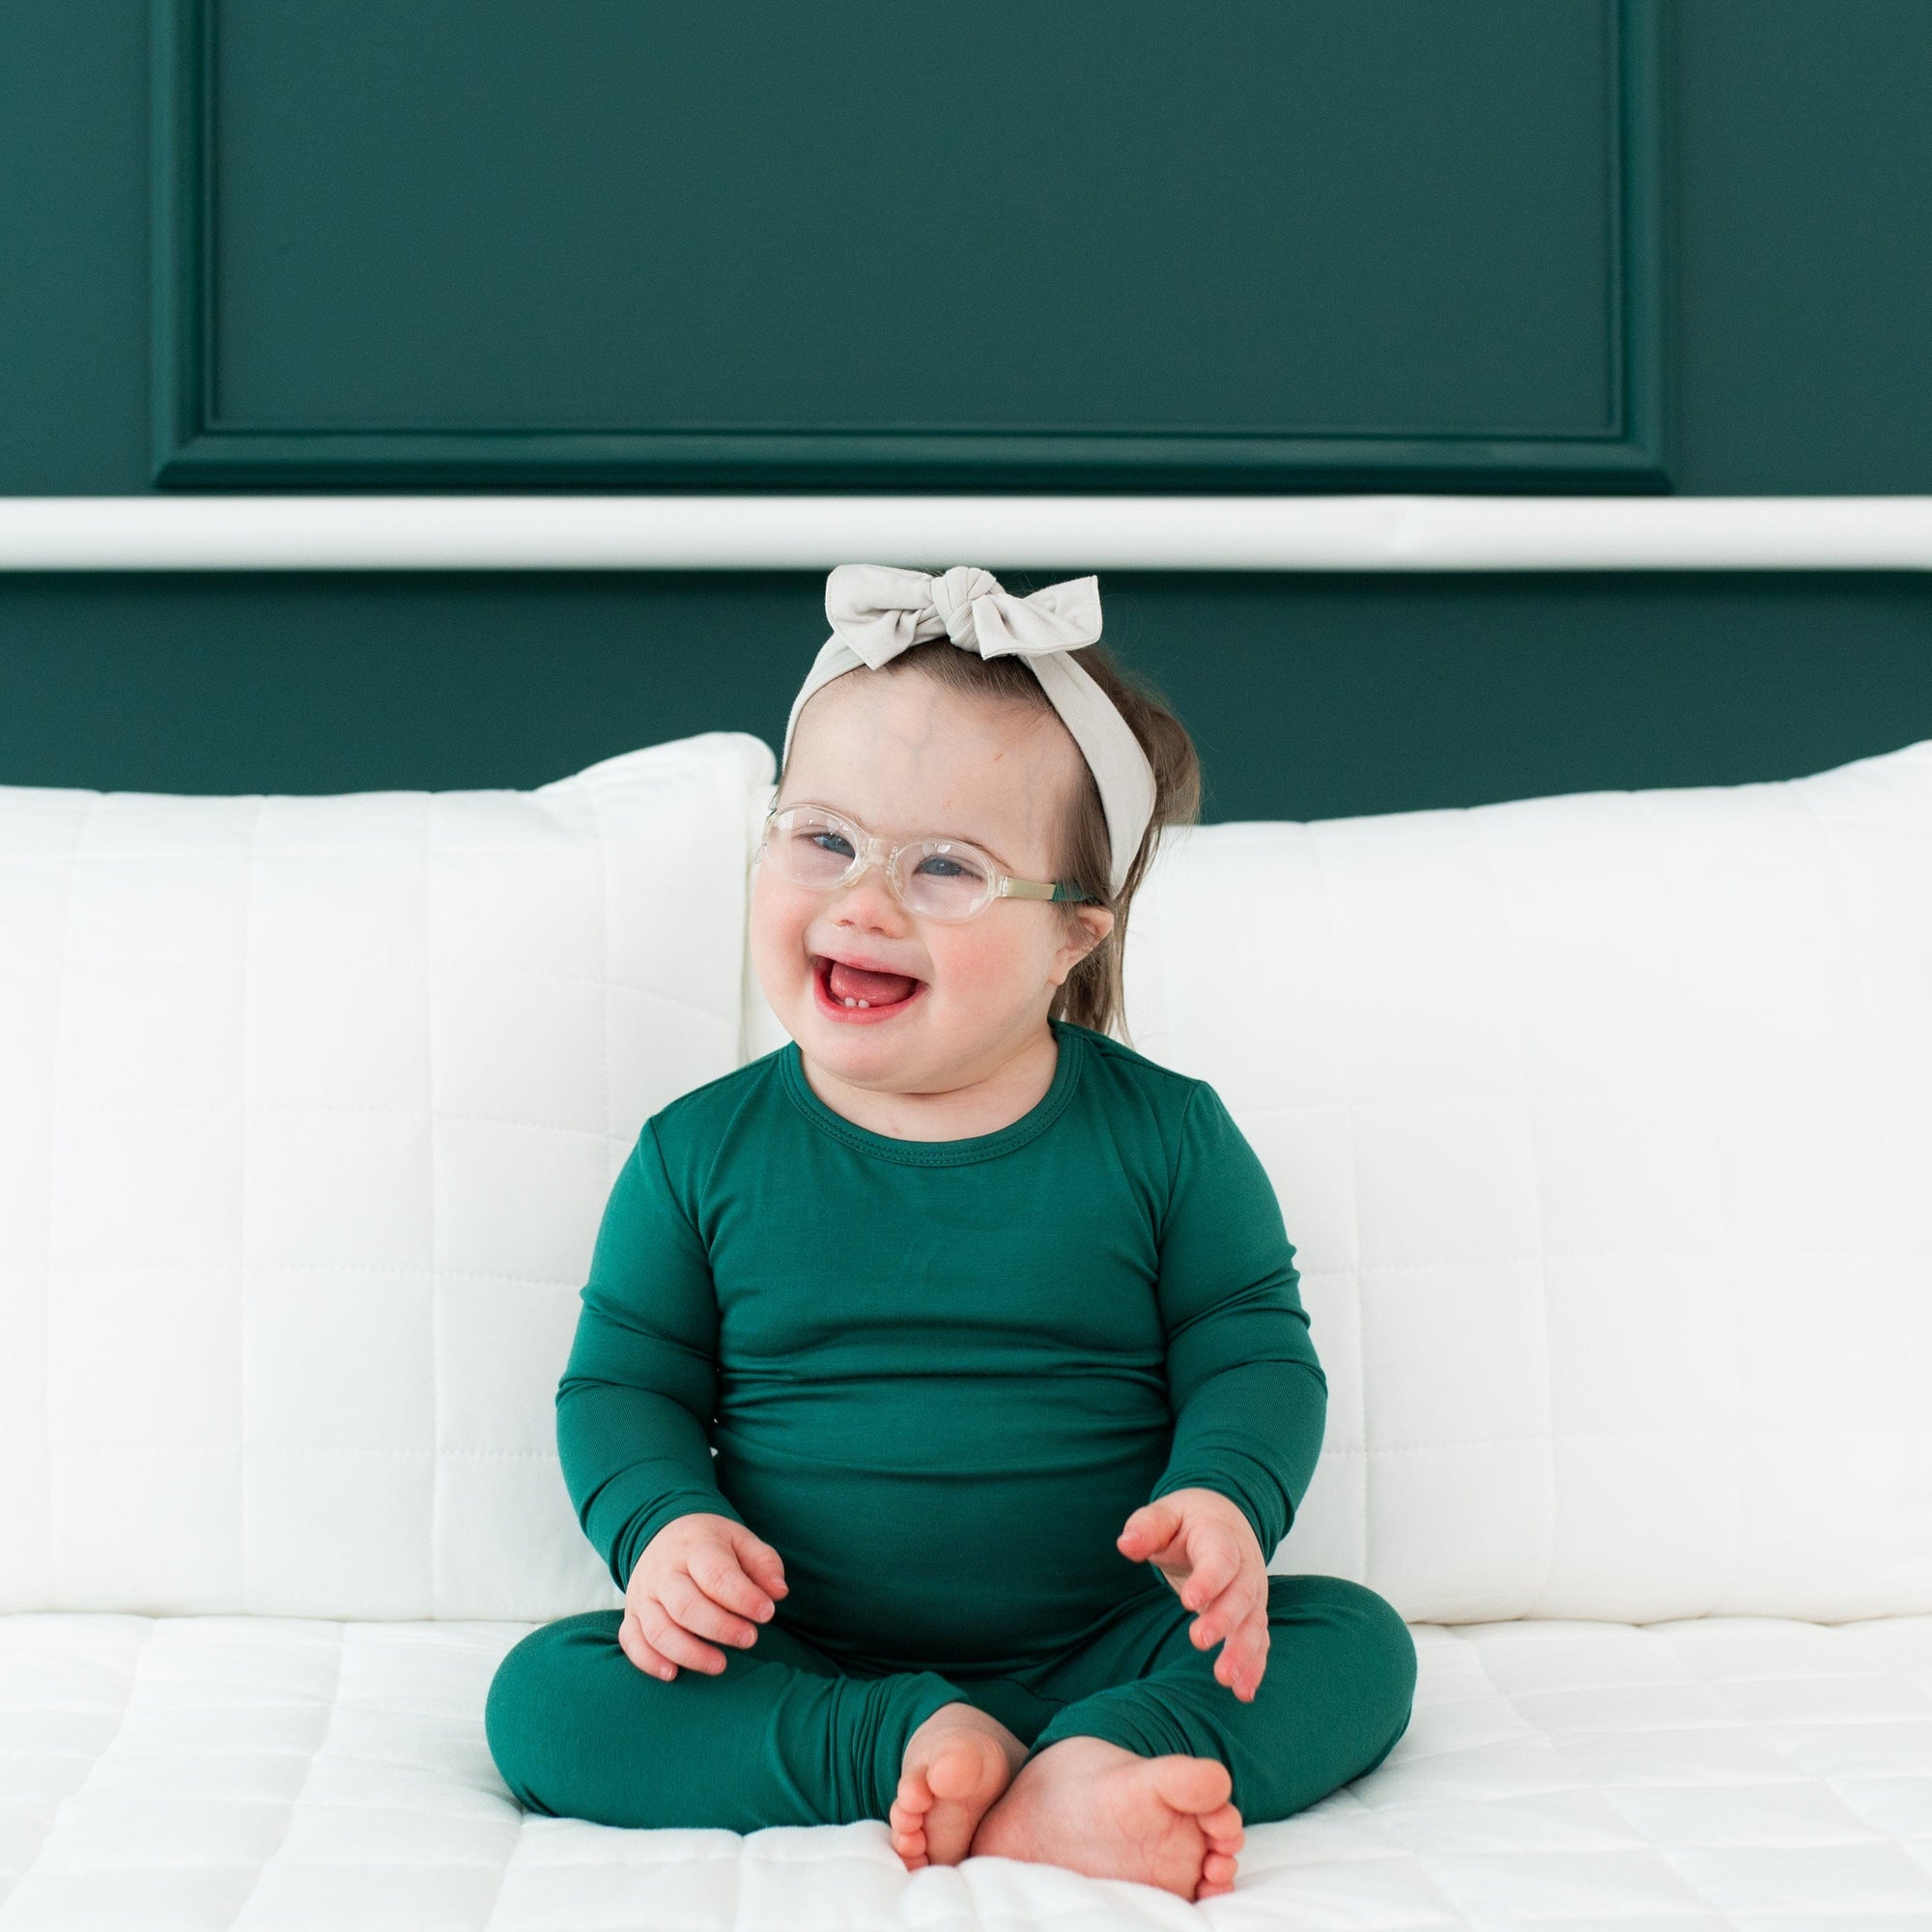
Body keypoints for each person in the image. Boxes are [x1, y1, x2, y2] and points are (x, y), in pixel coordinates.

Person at [484, 565, 1416, 1902]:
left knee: (1355, 1645)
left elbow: (1251, 1350)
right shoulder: (699, 1152)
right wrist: (667, 1529)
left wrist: (1226, 1495)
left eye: (944, 868)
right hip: (799, 1646)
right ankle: (910, 1744)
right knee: (550, 1702)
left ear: (1069, 941)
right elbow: (625, 1384)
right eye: (822, 840)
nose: (864, 902)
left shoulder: (1167, 1137)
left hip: (1107, 1635)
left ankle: (1094, 1759)